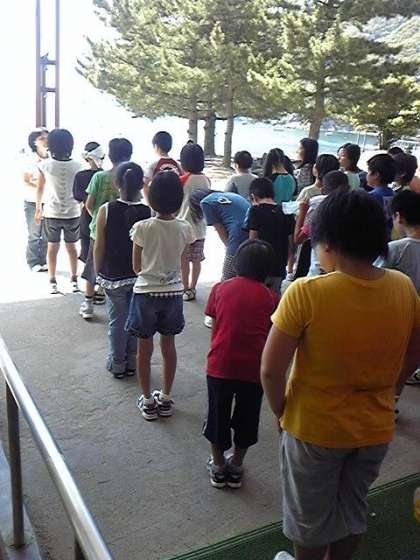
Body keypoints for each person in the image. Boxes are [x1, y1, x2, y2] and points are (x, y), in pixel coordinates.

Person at [261, 189, 420, 560]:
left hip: (314, 428)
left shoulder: (306, 292)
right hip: (374, 427)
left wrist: (281, 410)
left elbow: (270, 368)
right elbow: (415, 349)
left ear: (327, 243)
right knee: (352, 509)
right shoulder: (402, 287)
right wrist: (394, 388)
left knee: (310, 519)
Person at [204, 239, 278, 488]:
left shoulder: (219, 289)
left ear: (236, 263)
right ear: (266, 269)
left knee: (217, 416)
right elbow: (270, 334)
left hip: (220, 365)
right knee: (247, 418)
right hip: (254, 370)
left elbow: (215, 328)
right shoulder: (271, 297)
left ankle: (218, 466)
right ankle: (236, 465)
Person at [126, 171, 194, 420]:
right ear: (179, 199)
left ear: (151, 198)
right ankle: (165, 398)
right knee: (169, 346)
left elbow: (136, 267)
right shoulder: (185, 228)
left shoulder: (142, 228)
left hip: (146, 293)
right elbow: (184, 262)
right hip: (173, 293)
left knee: (144, 349)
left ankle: (147, 401)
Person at [94, 162, 151, 379]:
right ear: (141, 184)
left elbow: (99, 246)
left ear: (116, 183)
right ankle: (132, 361)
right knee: (135, 320)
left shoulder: (106, 210)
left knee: (117, 321)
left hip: (112, 276)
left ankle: (117, 363)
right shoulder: (148, 211)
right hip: (139, 276)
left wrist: (98, 273)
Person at [80, 138, 133, 320]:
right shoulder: (131, 177)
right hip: (123, 231)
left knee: (92, 266)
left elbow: (89, 204)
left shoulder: (99, 177)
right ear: (130, 156)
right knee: (117, 266)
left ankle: (88, 303)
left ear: (110, 156)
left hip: (98, 230)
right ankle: (112, 299)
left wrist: (97, 216)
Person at [35, 129, 83, 294]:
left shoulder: (44, 165)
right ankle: (74, 280)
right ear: (70, 145)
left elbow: (40, 189)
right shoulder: (78, 166)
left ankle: (52, 281)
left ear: (51, 145)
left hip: (51, 212)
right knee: (72, 247)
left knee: (52, 247)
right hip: (73, 213)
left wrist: (38, 209)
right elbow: (80, 191)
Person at [243, 178, 294, 293]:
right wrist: (289, 263)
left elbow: (252, 240)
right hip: (279, 264)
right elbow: (291, 242)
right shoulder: (286, 211)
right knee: (274, 295)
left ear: (253, 196)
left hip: (259, 264)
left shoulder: (254, 211)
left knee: (258, 296)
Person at [295, 171, 350, 277]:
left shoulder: (320, 213)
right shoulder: (353, 209)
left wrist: (302, 212)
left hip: (319, 271)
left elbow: (298, 238)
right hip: (346, 271)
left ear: (323, 190)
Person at [178, 143, 211, 301]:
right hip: (200, 226)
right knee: (196, 260)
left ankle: (185, 288)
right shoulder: (206, 180)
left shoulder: (183, 180)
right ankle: (193, 287)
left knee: (183, 259)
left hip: (183, 226)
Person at [201, 191, 250, 281]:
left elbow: (220, 230)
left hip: (237, 231)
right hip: (253, 228)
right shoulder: (229, 195)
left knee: (227, 276)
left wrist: (229, 249)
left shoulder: (205, 202)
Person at [73, 142, 105, 263]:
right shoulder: (107, 175)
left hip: (87, 215)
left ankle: (89, 273)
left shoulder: (80, 176)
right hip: (105, 215)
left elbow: (77, 197)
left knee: (87, 252)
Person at [23, 127, 49, 272]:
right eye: (42, 138)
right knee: (34, 234)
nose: (46, 141)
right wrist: (41, 186)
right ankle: (33, 262)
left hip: (49, 201)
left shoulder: (52, 158)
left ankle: (43, 261)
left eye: (47, 138)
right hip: (32, 201)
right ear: (34, 142)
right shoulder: (30, 160)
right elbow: (25, 180)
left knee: (46, 234)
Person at [143, 131, 181, 202]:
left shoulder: (153, 164)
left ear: (156, 146)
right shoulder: (178, 165)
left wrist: (149, 203)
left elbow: (145, 184)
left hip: (158, 202)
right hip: (175, 202)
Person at [367, 154, 396, 237]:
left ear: (376, 174)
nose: (367, 175)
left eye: (369, 171)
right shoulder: (395, 195)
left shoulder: (370, 197)